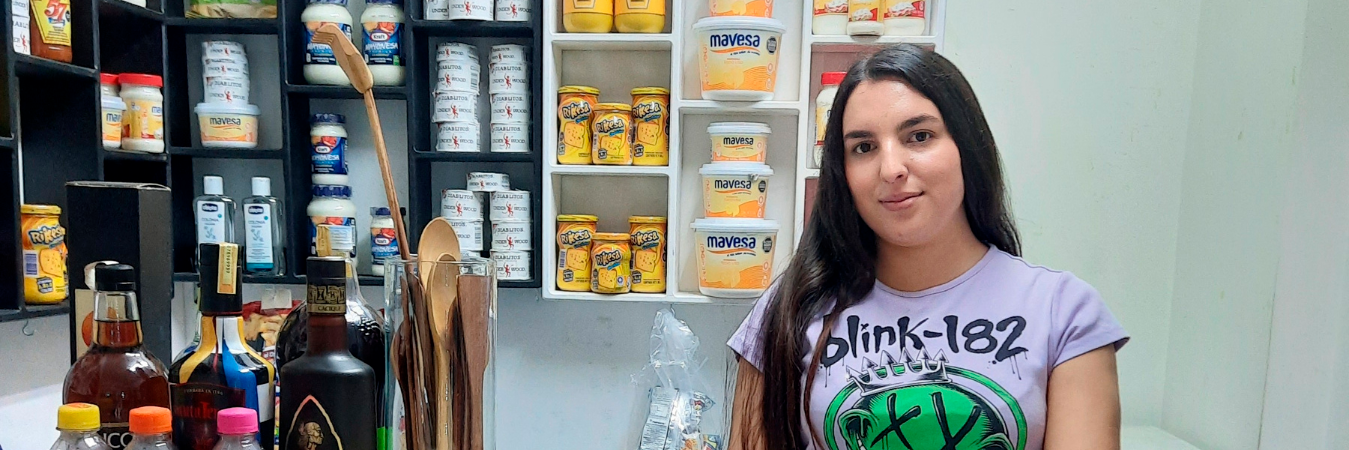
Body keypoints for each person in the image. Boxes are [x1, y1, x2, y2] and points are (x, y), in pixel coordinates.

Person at [727, 44, 1129, 450]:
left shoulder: (1064, 313)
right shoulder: (790, 308)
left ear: (967, 147)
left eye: (919, 136)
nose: (891, 169)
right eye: (863, 147)